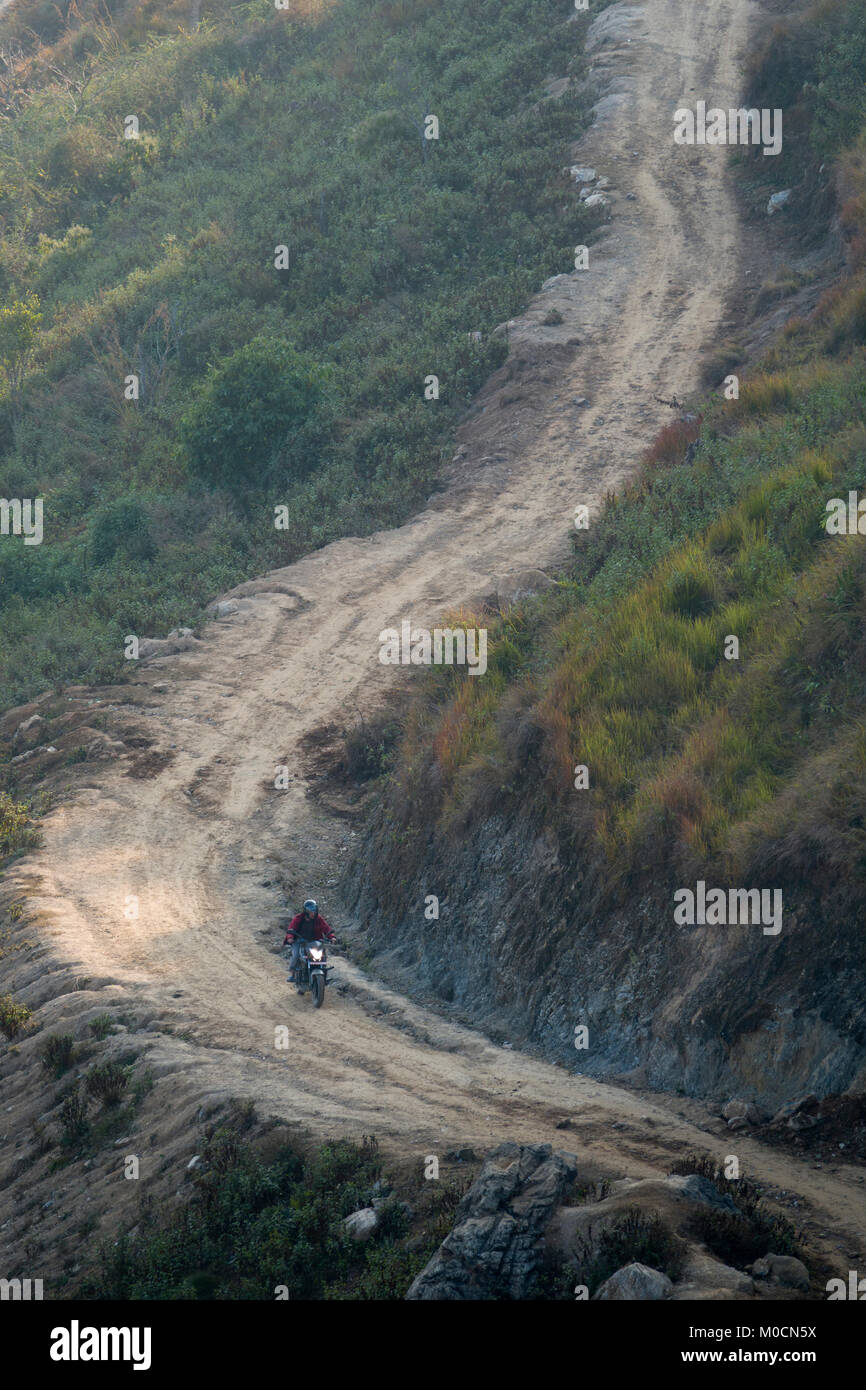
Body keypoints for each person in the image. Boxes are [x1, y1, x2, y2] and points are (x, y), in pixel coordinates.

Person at [284, 899, 336, 983]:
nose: (313, 913)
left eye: (314, 911)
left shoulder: (318, 918)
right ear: (306, 912)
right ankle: (293, 974)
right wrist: (290, 937)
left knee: (322, 955)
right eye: (311, 912)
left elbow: (326, 928)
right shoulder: (298, 918)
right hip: (299, 941)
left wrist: (331, 937)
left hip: (313, 941)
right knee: (296, 955)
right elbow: (291, 928)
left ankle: (323, 976)